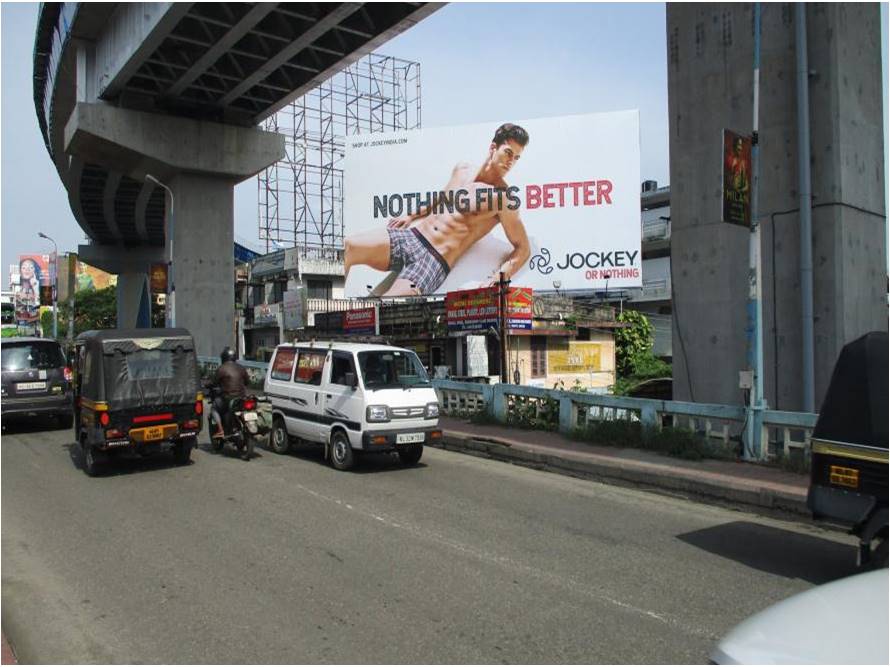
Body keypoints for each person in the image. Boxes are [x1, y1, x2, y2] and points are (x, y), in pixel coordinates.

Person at [344, 123, 532, 296]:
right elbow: (441, 198)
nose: (511, 162)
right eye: (508, 153)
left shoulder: (504, 198)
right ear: (493, 148)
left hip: (434, 260)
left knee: (386, 304)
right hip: (412, 237)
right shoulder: (462, 169)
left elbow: (523, 248)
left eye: (516, 158)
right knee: (349, 247)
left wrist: (497, 280)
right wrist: (411, 215)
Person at [208, 346, 249, 439]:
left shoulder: (221, 369)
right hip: (242, 398)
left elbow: (213, 382)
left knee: (214, 408)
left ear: (223, 358)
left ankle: (220, 430)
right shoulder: (241, 368)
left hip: (228, 398)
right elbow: (247, 382)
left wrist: (207, 385)